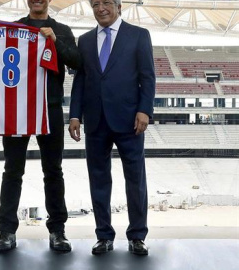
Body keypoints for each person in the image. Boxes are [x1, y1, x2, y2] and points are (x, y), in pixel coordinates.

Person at [0, 0, 81, 253]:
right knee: (12, 170)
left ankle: (57, 230)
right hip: (17, 107)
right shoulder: (12, 27)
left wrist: (56, 41)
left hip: (49, 107)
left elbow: (77, 62)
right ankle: (7, 230)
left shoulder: (61, 29)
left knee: (53, 171)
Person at [68, 0, 155, 256]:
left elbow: (148, 76)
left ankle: (137, 236)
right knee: (98, 180)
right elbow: (80, 80)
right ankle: (103, 236)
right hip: (95, 120)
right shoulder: (84, 40)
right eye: (95, 4)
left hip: (130, 120)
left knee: (135, 180)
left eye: (106, 2)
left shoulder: (139, 35)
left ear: (118, 6)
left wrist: (144, 110)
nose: (100, 8)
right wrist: (74, 115)